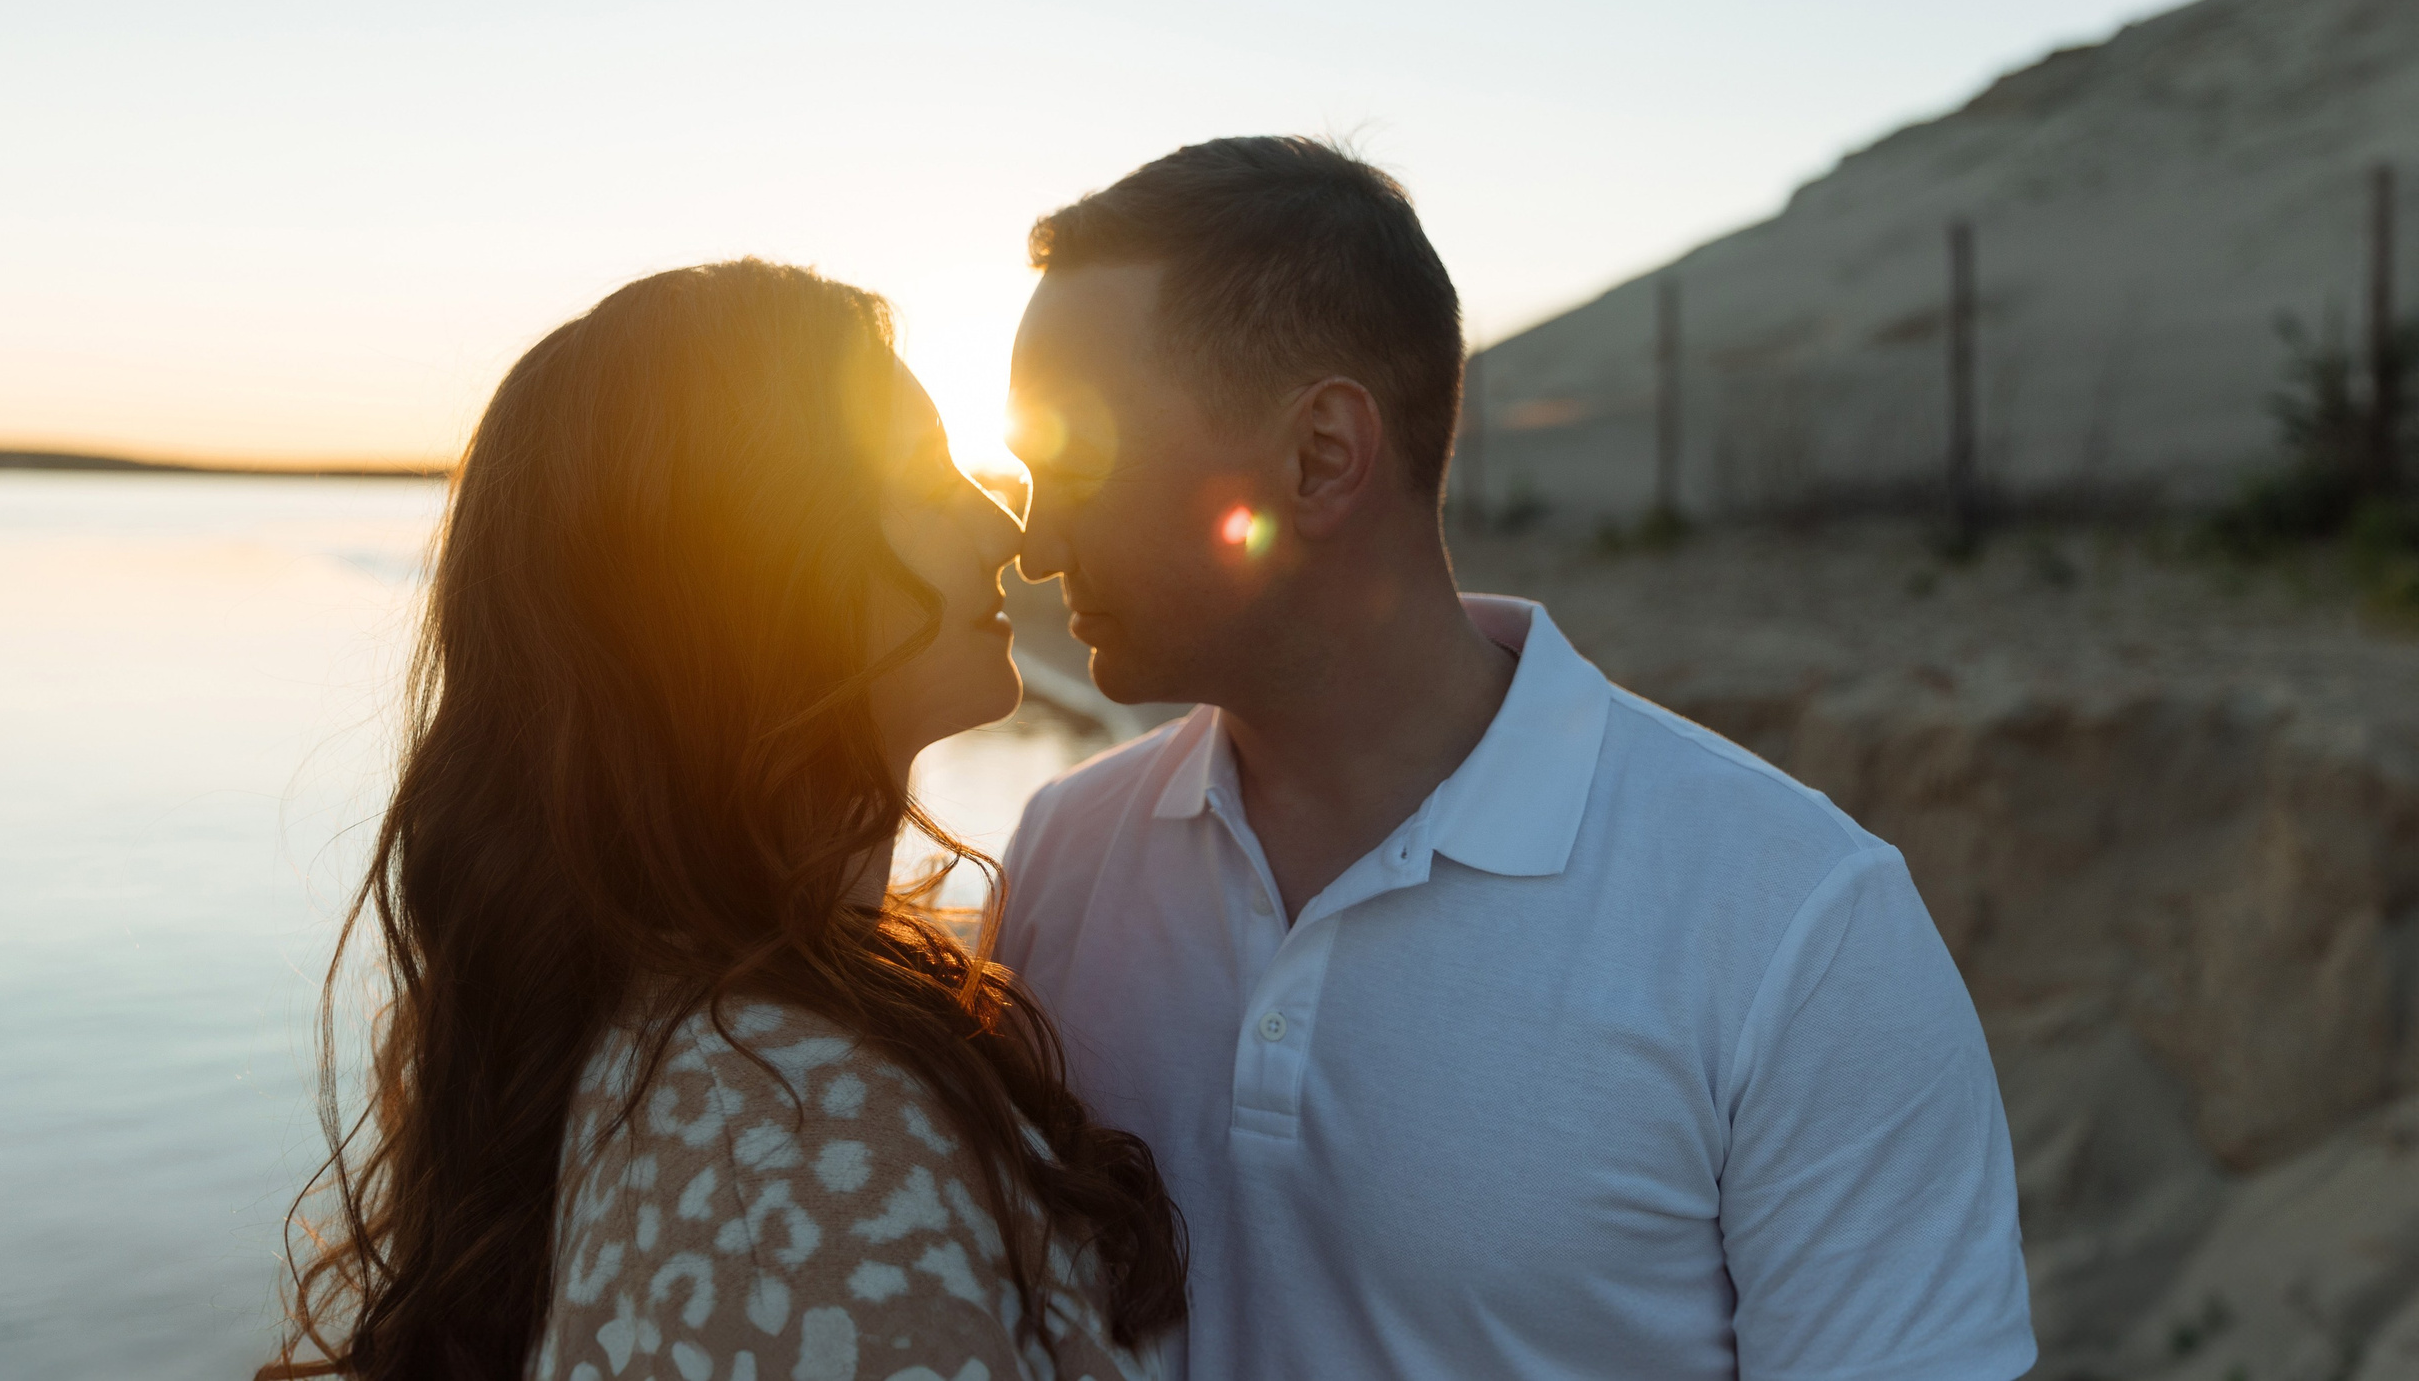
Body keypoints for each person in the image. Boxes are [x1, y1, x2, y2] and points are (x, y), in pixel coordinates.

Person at [995, 138, 2036, 1381]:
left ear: (1321, 456)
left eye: (1079, 465)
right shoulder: (1061, 854)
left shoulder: (1794, 925)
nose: (1036, 540)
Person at [262, 262, 1184, 1381]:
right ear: (753, 569)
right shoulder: (792, 1141)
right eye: (924, 482)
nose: (1001, 527)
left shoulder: (704, 1024)